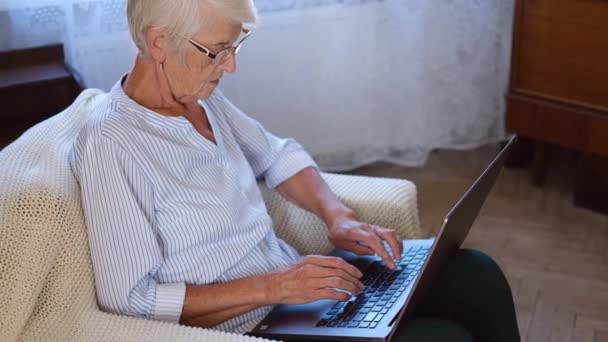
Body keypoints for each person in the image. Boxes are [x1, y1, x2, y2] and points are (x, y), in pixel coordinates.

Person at [69, 0, 520, 340]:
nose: (231, 65)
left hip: (298, 300)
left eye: (235, 45)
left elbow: (278, 156)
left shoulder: (200, 99)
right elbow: (132, 300)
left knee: (476, 274)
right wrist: (275, 287)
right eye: (216, 51)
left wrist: (336, 216)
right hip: (255, 325)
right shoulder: (111, 144)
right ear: (158, 42)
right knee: (443, 338)